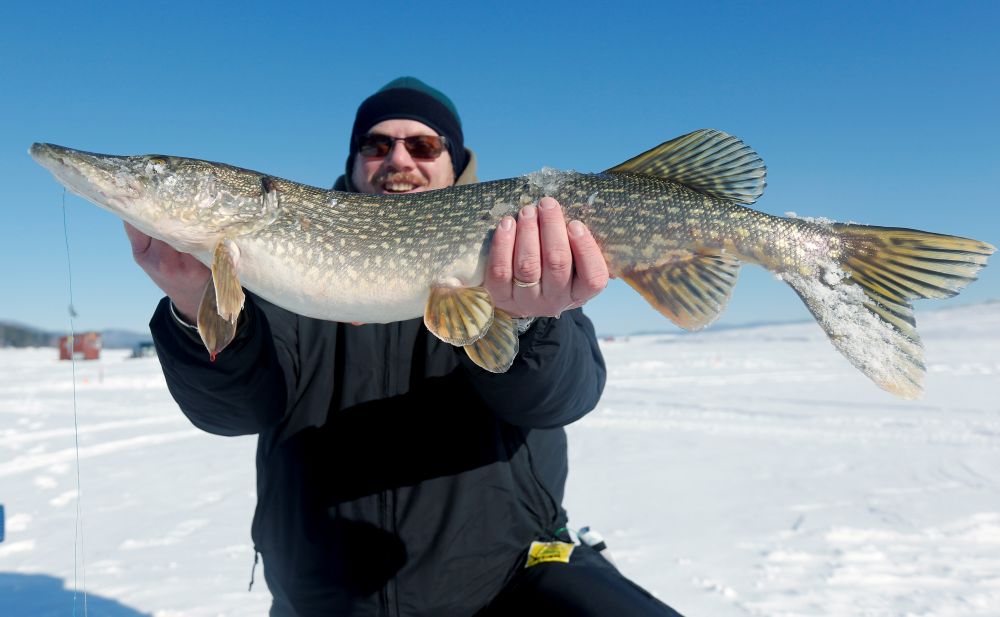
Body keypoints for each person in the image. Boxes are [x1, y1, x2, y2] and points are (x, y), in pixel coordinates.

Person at [125, 77, 683, 617]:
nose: (398, 159)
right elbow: (233, 412)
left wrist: (524, 319)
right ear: (353, 161)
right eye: (376, 144)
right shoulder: (276, 279)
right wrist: (193, 301)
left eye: (422, 145)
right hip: (324, 598)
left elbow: (557, 402)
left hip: (508, 579)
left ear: (455, 162)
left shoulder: (520, 257)